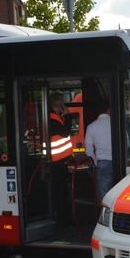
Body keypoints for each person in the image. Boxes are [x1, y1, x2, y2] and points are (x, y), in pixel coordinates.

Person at [48, 92, 74, 224]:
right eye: (63, 102)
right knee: (59, 190)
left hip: (58, 160)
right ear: (59, 104)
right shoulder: (52, 118)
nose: (64, 104)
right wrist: (68, 116)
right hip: (56, 161)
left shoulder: (55, 117)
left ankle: (61, 215)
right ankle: (61, 217)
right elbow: (65, 132)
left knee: (61, 189)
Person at [85, 99, 113, 202]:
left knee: (105, 197)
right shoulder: (116, 124)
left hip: (102, 163)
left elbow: (88, 150)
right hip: (119, 163)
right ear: (109, 110)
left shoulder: (91, 126)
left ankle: (106, 216)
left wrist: (96, 162)